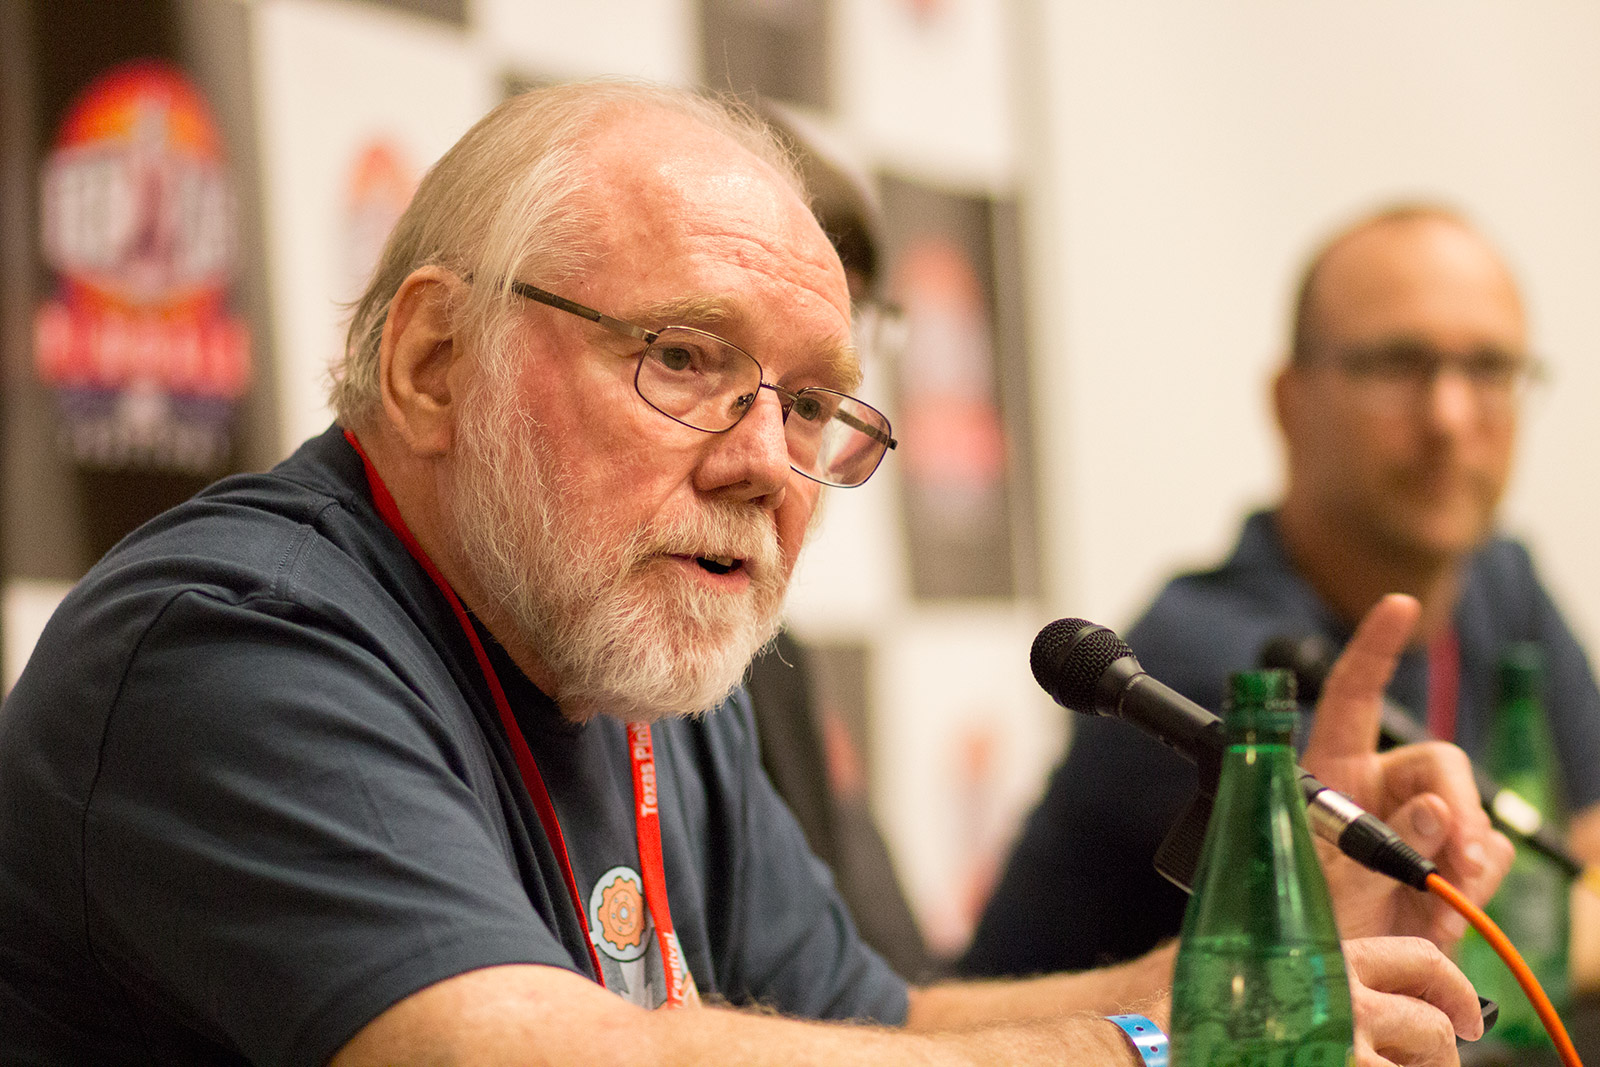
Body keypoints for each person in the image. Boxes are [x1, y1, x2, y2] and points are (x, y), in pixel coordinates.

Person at [0, 84, 1504, 1067]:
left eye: (813, 404)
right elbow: (527, 1052)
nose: (768, 465)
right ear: (434, 361)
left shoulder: (633, 643)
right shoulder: (228, 642)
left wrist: (1235, 974)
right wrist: (1143, 1052)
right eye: (683, 358)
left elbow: (877, 1025)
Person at [963, 204, 1600, 979]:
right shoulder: (1207, 656)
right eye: (1398, 365)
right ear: (1289, 401)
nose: (1449, 415)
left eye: (1490, 369)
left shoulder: (1503, 583)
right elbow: (1437, 935)